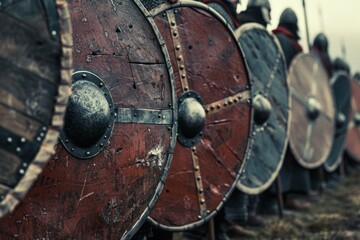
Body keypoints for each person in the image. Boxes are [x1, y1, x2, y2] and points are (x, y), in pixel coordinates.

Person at [270, 8, 312, 211]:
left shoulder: (276, 38)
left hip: (282, 104)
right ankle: (281, 198)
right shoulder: (287, 43)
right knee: (284, 152)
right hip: (285, 105)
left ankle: (283, 197)